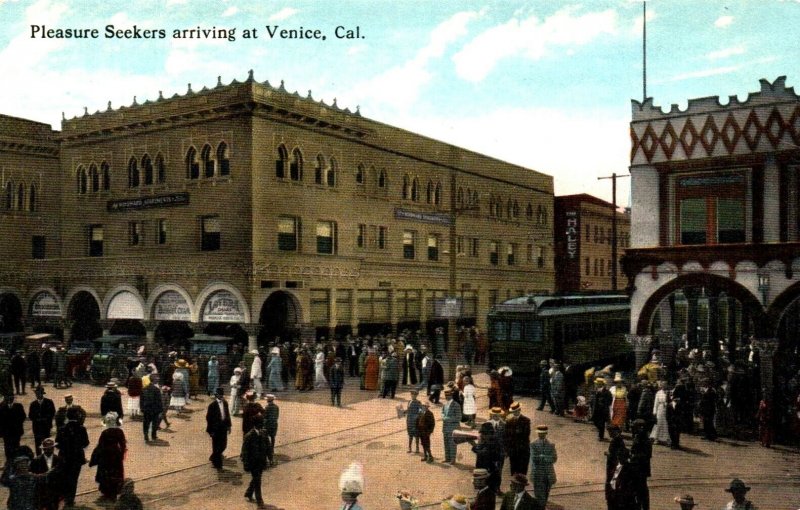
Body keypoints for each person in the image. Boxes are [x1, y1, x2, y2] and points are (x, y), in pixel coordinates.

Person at [56, 406, 90, 507]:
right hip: (77, 458)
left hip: (64, 457)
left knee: (65, 477)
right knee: (74, 478)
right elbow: (85, 443)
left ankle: (65, 496)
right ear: (77, 416)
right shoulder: (81, 428)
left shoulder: (62, 428)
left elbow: (57, 444)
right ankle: (70, 499)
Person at [89, 412, 127, 501]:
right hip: (116, 455)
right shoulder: (119, 431)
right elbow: (123, 444)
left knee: (106, 473)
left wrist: (95, 457)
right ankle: (114, 490)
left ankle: (106, 491)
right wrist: (121, 454)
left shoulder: (105, 432)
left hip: (106, 455)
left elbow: (100, 445)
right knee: (115, 472)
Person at [241, 417, 270, 507]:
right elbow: (244, 452)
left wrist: (270, 458)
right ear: (255, 425)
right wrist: (245, 464)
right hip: (253, 463)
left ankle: (249, 492)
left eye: (262, 424)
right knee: (257, 481)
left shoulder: (264, 433)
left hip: (261, 461)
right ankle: (260, 502)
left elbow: (268, 447)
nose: (262, 426)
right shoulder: (249, 436)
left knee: (257, 478)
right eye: (260, 424)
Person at [30, 437, 64, 510]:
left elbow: (62, 477)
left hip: (55, 491)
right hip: (41, 492)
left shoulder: (59, 460)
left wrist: (62, 492)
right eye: (46, 448)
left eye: (51, 448)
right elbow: (32, 477)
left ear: (53, 448)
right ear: (43, 449)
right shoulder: (36, 461)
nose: (48, 450)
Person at [470, 422, 504, 495]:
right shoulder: (486, 440)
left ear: (489, 434)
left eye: (484, 434)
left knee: (488, 491)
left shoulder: (493, 442)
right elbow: (477, 450)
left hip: (490, 471)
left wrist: (473, 444)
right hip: (484, 469)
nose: (482, 435)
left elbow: (483, 452)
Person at [529, 425, 557, 508]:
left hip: (548, 474)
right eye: (540, 433)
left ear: (546, 433)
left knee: (546, 494)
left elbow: (554, 458)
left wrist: (542, 457)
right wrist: (546, 458)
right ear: (537, 433)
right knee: (539, 496)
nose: (541, 435)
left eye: (543, 433)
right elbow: (534, 458)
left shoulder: (551, 444)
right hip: (538, 473)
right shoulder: (533, 444)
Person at [206, 386, 232, 470]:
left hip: (223, 427)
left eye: (222, 395)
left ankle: (214, 456)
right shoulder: (212, 405)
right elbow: (208, 418)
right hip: (215, 429)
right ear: (216, 395)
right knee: (216, 446)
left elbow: (227, 415)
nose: (221, 396)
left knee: (224, 445)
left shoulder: (225, 403)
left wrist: (229, 426)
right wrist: (211, 431)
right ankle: (218, 465)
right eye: (219, 395)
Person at [629, 419, 652, 510]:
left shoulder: (645, 439)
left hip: (641, 468)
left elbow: (646, 455)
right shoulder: (638, 436)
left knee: (641, 490)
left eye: (634, 427)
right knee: (638, 489)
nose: (633, 429)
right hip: (637, 468)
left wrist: (633, 456)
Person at [504, 401, 532, 476]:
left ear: (519, 410)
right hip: (513, 450)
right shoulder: (509, 421)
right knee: (513, 470)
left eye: (516, 411)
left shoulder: (526, 420)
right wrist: (507, 449)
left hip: (523, 450)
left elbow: (525, 434)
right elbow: (506, 436)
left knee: (522, 471)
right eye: (513, 412)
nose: (515, 413)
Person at [28, 385, 56, 455]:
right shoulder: (33, 404)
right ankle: (39, 457)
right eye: (37, 394)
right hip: (37, 427)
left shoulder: (49, 402)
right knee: (37, 443)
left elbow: (52, 412)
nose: (38, 395)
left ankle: (48, 456)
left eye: (40, 393)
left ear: (42, 394)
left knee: (47, 442)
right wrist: (37, 419)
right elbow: (30, 415)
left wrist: (45, 419)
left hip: (46, 426)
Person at [0, 393, 27, 462]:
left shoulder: (18, 406)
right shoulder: (1, 407)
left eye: (11, 397)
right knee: (7, 447)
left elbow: (23, 417)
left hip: (16, 431)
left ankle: (15, 462)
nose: (9, 398)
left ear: (13, 398)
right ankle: (9, 463)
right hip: (6, 432)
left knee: (16, 447)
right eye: (7, 397)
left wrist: (16, 424)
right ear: (5, 398)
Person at [140, 373, 163, 442]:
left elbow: (141, 400)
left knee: (146, 423)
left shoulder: (144, 389)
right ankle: (153, 435)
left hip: (146, 409)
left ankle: (146, 435)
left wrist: (142, 408)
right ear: (154, 380)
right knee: (154, 423)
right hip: (155, 410)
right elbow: (159, 401)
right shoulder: (156, 390)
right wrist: (160, 410)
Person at [441, 388, 462, 464]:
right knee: (446, 443)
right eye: (446, 395)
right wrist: (443, 416)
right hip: (445, 427)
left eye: (448, 395)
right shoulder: (445, 404)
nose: (447, 397)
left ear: (451, 395)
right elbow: (443, 412)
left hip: (453, 428)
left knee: (452, 444)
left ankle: (453, 459)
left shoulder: (456, 405)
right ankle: (447, 458)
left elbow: (459, 417)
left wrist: (447, 419)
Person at [651, 380, 670, 445]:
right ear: (661, 386)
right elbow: (656, 403)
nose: (664, 386)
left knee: (665, 424)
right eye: (663, 385)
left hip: (666, 409)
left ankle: (666, 439)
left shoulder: (668, 392)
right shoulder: (658, 393)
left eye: (665, 384)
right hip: (660, 408)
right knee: (658, 423)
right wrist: (654, 411)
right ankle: (656, 438)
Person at [263, 394, 279, 467]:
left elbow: (265, 417)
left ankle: (268, 451)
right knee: (273, 437)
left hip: (268, 425)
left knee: (266, 438)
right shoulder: (276, 407)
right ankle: (272, 449)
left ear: (268, 400)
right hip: (274, 424)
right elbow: (277, 416)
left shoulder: (267, 407)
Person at [405, 389, 423, 453]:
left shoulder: (418, 402)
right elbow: (408, 410)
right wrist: (403, 412)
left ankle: (417, 448)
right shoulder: (409, 401)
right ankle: (409, 448)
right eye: (412, 395)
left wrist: (418, 414)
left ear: (416, 395)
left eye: (414, 395)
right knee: (410, 434)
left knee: (416, 435)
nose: (413, 396)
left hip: (415, 421)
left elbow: (421, 410)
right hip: (409, 420)